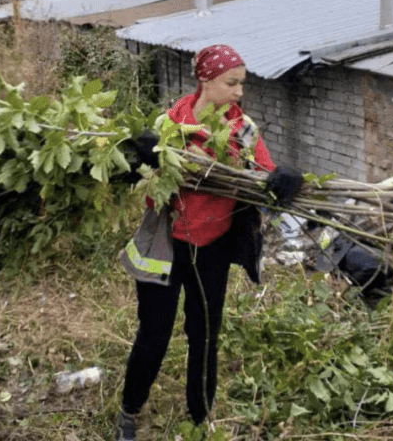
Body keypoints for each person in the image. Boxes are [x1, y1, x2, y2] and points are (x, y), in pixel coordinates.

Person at [115, 44, 303, 441]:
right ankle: (129, 412)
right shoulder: (169, 124)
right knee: (154, 333)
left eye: (242, 84)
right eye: (231, 83)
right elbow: (151, 194)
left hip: (212, 251)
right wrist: (143, 160)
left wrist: (285, 180)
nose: (239, 92)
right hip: (165, 247)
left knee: (204, 336)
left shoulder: (244, 131)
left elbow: (265, 181)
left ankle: (200, 420)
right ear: (205, 81)